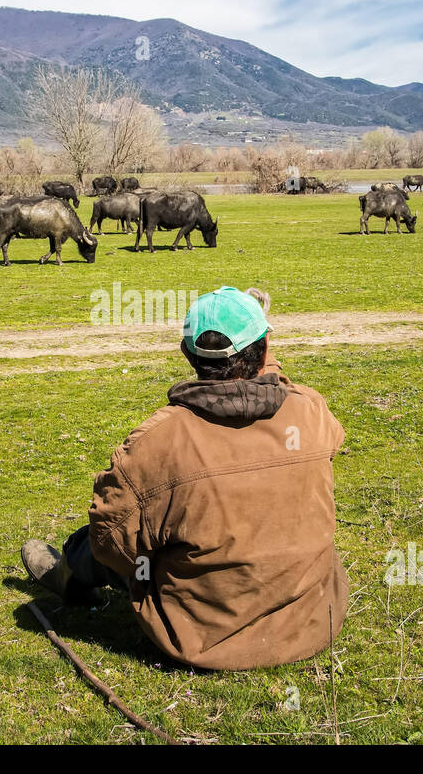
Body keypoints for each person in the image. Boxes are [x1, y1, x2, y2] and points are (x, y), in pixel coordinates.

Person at [21, 286, 348, 670]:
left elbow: (109, 544)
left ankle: (68, 576)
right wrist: (261, 350)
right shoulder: (310, 411)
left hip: (203, 636)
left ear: (186, 353)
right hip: (313, 620)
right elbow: (280, 388)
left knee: (108, 533)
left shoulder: (158, 441)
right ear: (266, 346)